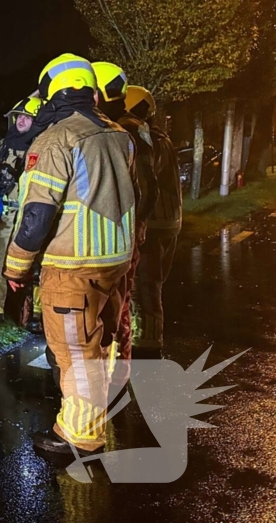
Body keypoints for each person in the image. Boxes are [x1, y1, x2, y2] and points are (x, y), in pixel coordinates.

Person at [3, 53, 136, 457]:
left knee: (76, 352)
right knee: (100, 341)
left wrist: (16, 268)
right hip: (115, 258)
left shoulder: (57, 138)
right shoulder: (119, 134)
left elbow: (36, 216)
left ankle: (79, 436)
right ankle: (95, 413)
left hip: (73, 263)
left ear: (51, 92)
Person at [91, 62, 158, 389]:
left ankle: (113, 375)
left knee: (117, 305)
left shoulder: (123, 131)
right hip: (122, 235)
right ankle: (113, 369)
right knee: (117, 302)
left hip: (119, 238)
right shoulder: (126, 128)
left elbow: (146, 189)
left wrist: (130, 224)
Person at [126, 86, 181, 356]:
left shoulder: (145, 138)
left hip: (152, 222)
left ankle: (147, 345)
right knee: (152, 282)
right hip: (168, 221)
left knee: (144, 286)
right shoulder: (161, 137)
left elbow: (142, 181)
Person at [0, 95, 42, 323]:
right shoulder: (2, 146)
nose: (21, 121)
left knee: (33, 263)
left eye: (27, 117)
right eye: (19, 117)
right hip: (3, 214)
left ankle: (36, 312)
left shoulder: (43, 147)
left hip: (31, 216)